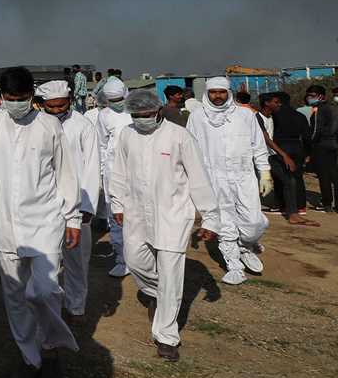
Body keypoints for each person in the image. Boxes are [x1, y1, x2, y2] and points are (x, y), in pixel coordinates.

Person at [0, 67, 81, 378]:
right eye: (10, 99)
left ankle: (51, 347)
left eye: (22, 98)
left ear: (32, 96)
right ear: (1, 97)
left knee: (45, 290)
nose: (16, 104)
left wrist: (73, 217)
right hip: (3, 226)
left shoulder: (48, 126)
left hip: (44, 223)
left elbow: (66, 173)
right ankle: (31, 358)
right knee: (15, 299)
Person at [108, 89, 220, 361]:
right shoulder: (127, 134)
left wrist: (211, 217)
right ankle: (154, 291)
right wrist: (117, 204)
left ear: (158, 111)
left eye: (147, 115)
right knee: (134, 260)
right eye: (137, 116)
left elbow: (198, 178)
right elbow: (119, 170)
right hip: (136, 213)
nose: (142, 120)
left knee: (170, 274)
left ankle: (167, 337)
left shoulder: (179, 136)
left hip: (172, 214)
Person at [187, 77, 271, 284]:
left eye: (222, 92)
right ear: (207, 93)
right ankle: (234, 265)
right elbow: (189, 148)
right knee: (224, 223)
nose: (217, 96)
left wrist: (265, 172)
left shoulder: (244, 115)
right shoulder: (197, 117)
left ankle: (245, 245)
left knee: (253, 221)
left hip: (243, 176)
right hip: (213, 178)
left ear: (228, 93)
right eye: (213, 92)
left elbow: (258, 145)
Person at [38, 80, 101, 327]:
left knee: (76, 260)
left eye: (60, 105)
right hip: (42, 202)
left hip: (75, 204)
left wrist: (85, 207)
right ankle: (47, 307)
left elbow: (92, 167)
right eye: (50, 107)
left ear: (70, 100)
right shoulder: (36, 124)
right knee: (44, 260)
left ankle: (75, 306)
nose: (56, 111)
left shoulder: (82, 126)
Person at [94, 77, 133, 277]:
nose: (116, 103)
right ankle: (121, 259)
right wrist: (101, 173)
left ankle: (143, 258)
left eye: (119, 98)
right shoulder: (104, 115)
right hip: (113, 171)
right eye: (112, 100)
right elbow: (101, 145)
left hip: (137, 169)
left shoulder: (137, 109)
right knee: (115, 214)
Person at [268, 92, 315, 222]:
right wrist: (308, 153)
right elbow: (307, 136)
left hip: (281, 147)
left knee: (280, 178)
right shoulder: (299, 116)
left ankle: (281, 204)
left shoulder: (274, 116)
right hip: (297, 147)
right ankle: (301, 206)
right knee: (297, 176)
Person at [305, 85, 338, 215]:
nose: (309, 98)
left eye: (311, 95)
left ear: (320, 96)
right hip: (332, 145)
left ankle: (327, 203)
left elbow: (315, 130)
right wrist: (336, 142)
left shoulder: (319, 109)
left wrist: (309, 145)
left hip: (321, 145)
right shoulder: (333, 108)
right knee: (335, 175)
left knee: (324, 176)